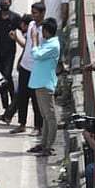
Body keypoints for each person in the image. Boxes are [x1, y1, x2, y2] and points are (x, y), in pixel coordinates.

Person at [27, 18, 61, 157]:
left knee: (50, 116)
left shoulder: (53, 45)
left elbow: (36, 54)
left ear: (47, 31)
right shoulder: (48, 43)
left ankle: (49, 146)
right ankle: (44, 143)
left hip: (45, 84)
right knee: (45, 116)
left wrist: (34, 40)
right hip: (39, 83)